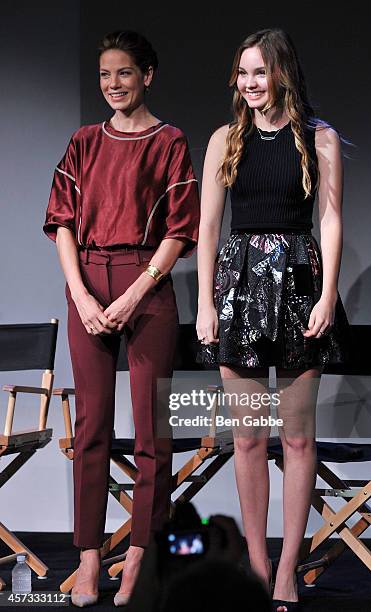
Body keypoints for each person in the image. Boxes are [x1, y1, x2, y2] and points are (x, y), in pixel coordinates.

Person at [43, 30, 200, 607]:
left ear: (147, 76)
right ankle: (88, 560)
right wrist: (82, 297)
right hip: (87, 278)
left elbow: (181, 229)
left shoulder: (171, 141)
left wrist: (135, 294)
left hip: (147, 283)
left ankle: (139, 553)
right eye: (105, 75)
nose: (113, 85)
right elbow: (61, 221)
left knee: (152, 431)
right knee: (91, 426)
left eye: (125, 74)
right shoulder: (84, 141)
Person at [196, 28, 349, 612]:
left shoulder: (320, 138)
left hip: (299, 281)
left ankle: (288, 567)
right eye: (241, 73)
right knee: (249, 437)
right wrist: (208, 302)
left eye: (258, 72)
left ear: (281, 73)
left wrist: (328, 293)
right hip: (238, 286)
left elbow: (331, 222)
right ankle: (257, 567)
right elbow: (209, 227)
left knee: (298, 434)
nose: (249, 83)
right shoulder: (224, 139)